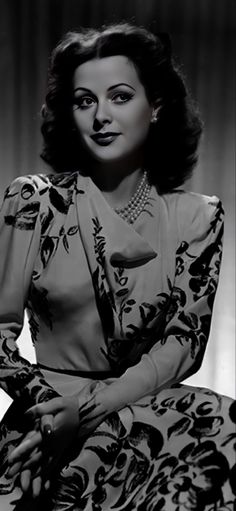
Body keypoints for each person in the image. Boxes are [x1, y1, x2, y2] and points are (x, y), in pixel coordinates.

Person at [0, 22, 235, 511]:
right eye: (85, 101)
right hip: (44, 417)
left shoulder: (198, 215)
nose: (101, 116)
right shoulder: (33, 203)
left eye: (120, 97)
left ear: (157, 106)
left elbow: (184, 340)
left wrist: (88, 410)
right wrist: (51, 414)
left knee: (222, 438)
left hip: (145, 414)